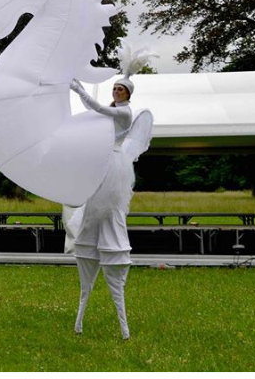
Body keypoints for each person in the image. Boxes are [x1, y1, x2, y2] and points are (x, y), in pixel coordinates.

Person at [67, 60, 153, 340]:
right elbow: (94, 120)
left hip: (113, 165)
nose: (116, 92)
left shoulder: (125, 113)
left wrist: (80, 90)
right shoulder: (113, 112)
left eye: (120, 89)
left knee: (109, 210)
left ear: (128, 94)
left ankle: (123, 325)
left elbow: (97, 108)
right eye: (115, 88)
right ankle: (79, 318)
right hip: (102, 161)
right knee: (92, 208)